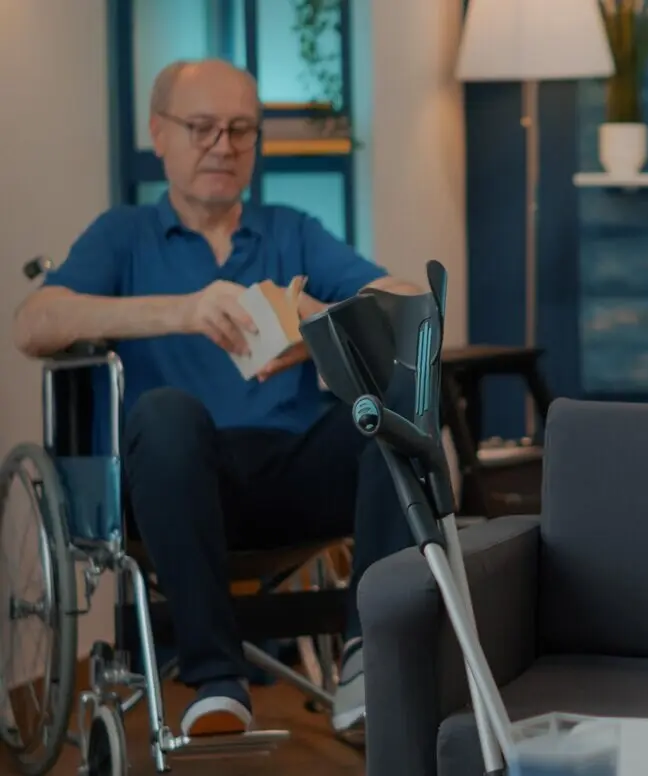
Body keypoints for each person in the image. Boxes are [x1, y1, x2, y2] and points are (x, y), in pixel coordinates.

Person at [11, 59, 419, 738]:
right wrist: (183, 312)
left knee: (390, 411)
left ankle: (367, 659)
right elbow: (34, 324)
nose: (222, 147)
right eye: (201, 128)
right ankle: (216, 677)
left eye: (239, 130)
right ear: (159, 133)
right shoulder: (123, 235)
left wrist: (318, 323)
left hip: (289, 473)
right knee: (166, 412)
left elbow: (407, 301)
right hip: (173, 482)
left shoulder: (289, 229)